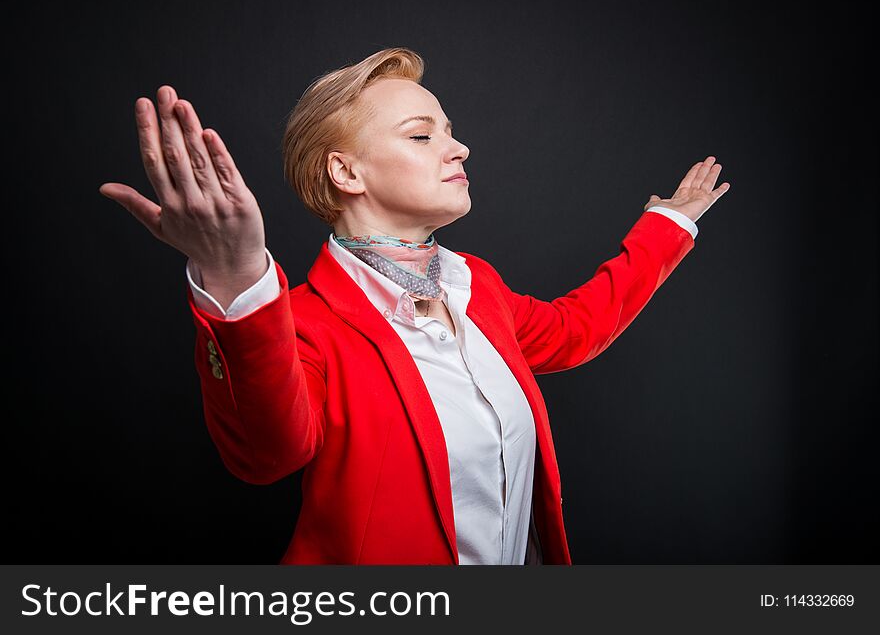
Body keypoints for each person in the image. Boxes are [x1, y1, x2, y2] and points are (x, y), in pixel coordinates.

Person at [99, 47, 731, 565]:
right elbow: (266, 457)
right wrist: (236, 276)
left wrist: (668, 225)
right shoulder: (305, 324)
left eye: (450, 133)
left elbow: (573, 329)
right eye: (423, 135)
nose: (459, 150)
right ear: (347, 173)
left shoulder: (474, 284)